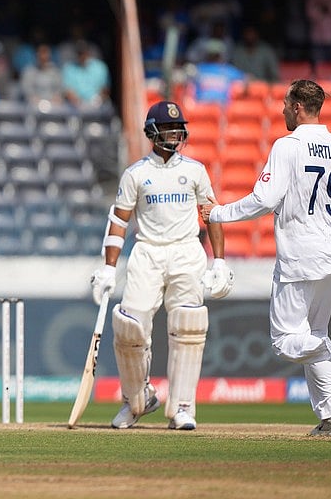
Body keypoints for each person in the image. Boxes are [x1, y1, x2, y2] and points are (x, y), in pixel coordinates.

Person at [201, 80, 331, 437]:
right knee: (312, 333)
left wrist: (218, 214)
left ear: (298, 107)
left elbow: (264, 199)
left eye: (285, 103)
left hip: (300, 253)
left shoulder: (288, 145)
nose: (281, 109)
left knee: (286, 340)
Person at [90, 101, 233, 431]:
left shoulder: (195, 170)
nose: (174, 132)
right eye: (167, 128)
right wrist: (108, 268)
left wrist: (220, 262)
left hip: (186, 252)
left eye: (177, 127)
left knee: (189, 325)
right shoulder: (136, 174)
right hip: (147, 253)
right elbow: (119, 221)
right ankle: (137, 400)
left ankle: (183, 407)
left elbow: (211, 215)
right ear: (152, 133)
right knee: (129, 327)